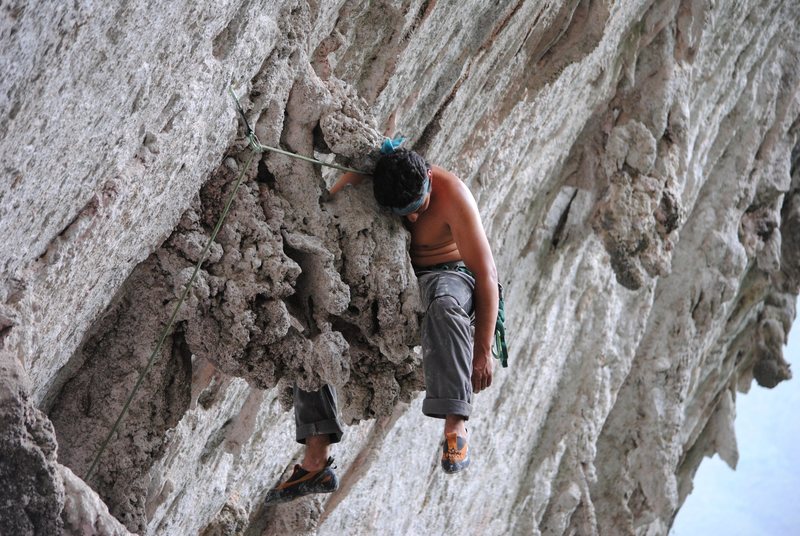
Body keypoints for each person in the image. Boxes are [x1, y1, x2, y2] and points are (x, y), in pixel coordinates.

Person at [265, 146, 499, 504]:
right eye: (405, 215)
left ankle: (456, 424)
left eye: (420, 207)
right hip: (397, 280)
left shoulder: (453, 194)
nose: (417, 220)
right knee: (313, 318)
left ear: (429, 180)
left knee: (444, 304)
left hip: (450, 276)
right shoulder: (375, 174)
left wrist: (482, 350)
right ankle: (316, 458)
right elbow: (329, 204)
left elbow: (486, 274)